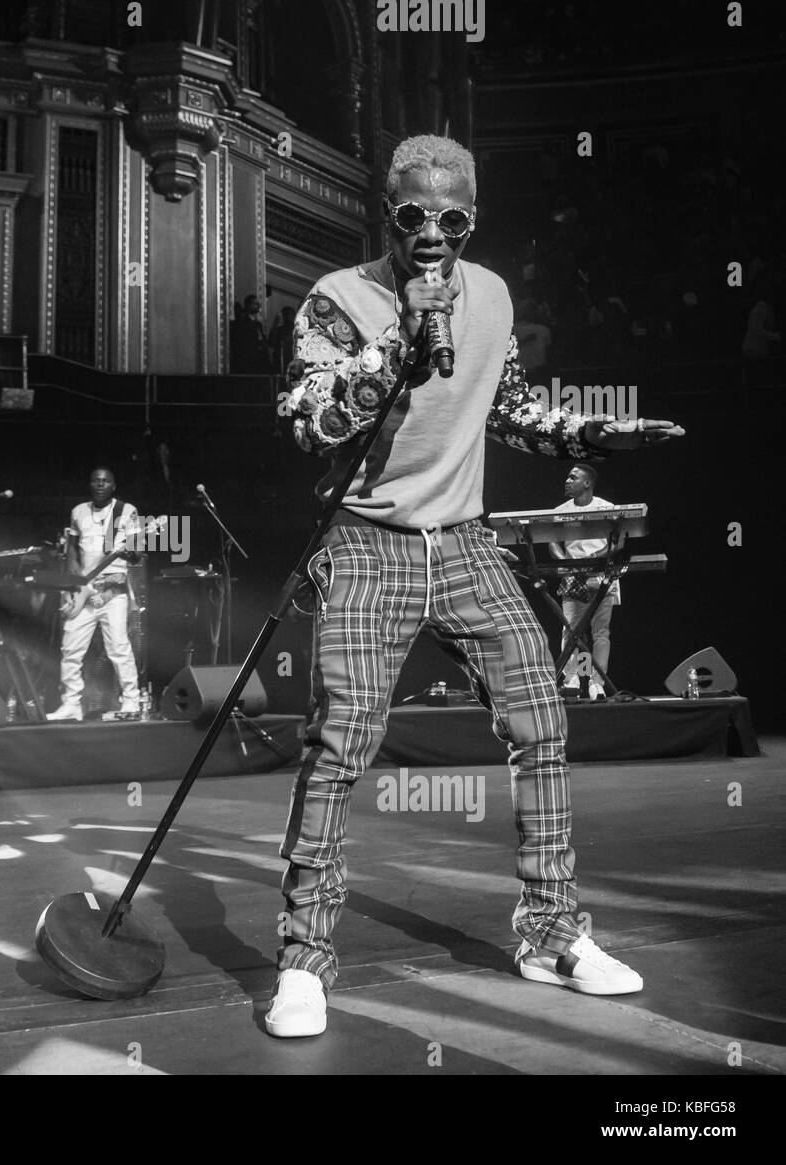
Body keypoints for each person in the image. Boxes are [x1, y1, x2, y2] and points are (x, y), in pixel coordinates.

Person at [266, 134, 684, 1039]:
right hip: (368, 540)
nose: (432, 233)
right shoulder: (338, 301)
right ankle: (303, 958)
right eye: (414, 215)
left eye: (451, 218)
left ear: (472, 220)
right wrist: (400, 344)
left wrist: (597, 436)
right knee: (341, 740)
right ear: (389, 212)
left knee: (542, 715)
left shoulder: (491, 295)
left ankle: (551, 933)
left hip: (461, 539)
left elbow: (512, 411)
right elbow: (310, 423)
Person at [46, 467, 142, 721]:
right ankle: (71, 704)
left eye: (105, 481)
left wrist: (129, 551)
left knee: (118, 647)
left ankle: (132, 701)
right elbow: (72, 552)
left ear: (113, 485)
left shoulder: (126, 511)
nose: (100, 484)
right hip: (83, 590)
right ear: (90, 484)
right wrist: (71, 587)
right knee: (70, 648)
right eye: (96, 480)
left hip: (113, 590)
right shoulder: (78, 511)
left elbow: (136, 554)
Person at [548, 464, 620, 701]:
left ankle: (596, 685)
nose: (567, 481)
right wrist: (568, 564)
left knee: (600, 633)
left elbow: (618, 541)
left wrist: (594, 558)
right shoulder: (561, 510)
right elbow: (552, 541)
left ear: (587, 483)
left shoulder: (606, 508)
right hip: (573, 578)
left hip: (600, 576)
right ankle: (574, 680)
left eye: (573, 477)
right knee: (571, 633)